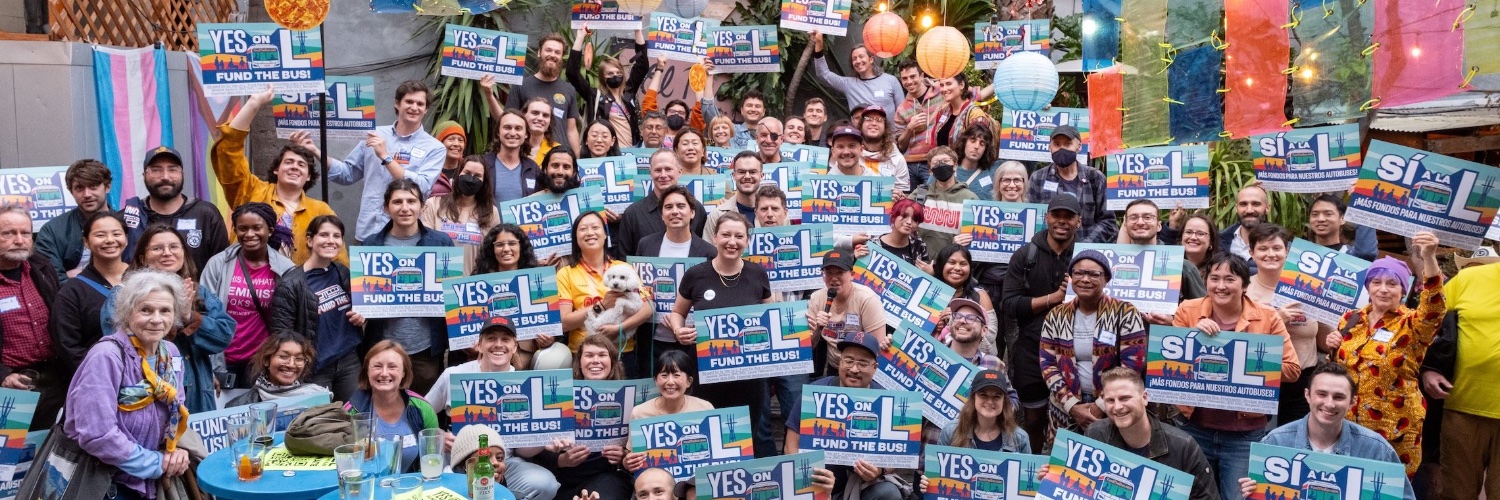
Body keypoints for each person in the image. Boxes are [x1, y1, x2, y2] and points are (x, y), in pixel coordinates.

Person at [1171, 252, 1301, 500]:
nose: (1220, 286)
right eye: (1214, 278)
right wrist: (1192, 340)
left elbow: (1292, 370)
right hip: (1193, 426)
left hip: (1244, 433)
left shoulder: (1268, 316)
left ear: (1244, 285)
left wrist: (1243, 356)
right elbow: (1172, 364)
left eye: (1229, 279)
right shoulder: (1188, 310)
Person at [63, 269, 193, 500]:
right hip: (106, 485)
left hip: (150, 481)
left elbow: (176, 408)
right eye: (145, 310)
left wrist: (173, 451)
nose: (156, 319)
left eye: (165, 311)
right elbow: (97, 434)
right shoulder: (107, 356)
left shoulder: (170, 353)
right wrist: (155, 463)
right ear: (126, 312)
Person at [1326, 232, 1444, 475]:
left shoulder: (1413, 324)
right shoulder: (1352, 319)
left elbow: (1434, 305)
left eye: (1392, 284)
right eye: (1376, 282)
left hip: (1396, 431)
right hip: (1348, 426)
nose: (1383, 289)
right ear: (1368, 286)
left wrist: (1429, 257)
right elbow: (1339, 369)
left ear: (1403, 289)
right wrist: (1332, 345)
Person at [666, 213, 775, 457]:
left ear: (747, 241)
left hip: (750, 376)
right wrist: (678, 330)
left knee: (747, 437)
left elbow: (772, 318)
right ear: (715, 237)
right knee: (708, 436)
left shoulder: (758, 274)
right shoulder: (696, 274)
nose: (732, 241)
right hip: (707, 373)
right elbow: (677, 313)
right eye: (726, 235)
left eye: (739, 236)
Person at [425, 317, 561, 500]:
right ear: (479, 345)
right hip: (458, 462)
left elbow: (522, 450)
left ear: (514, 347)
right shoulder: (453, 375)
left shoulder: (524, 384)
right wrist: (439, 435)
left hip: (504, 464)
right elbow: (420, 413)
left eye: (505, 339)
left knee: (546, 484)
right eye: (491, 338)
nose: (498, 345)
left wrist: (544, 440)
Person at [1236, 363, 1417, 500]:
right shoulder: (1275, 443)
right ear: (1307, 395)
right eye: (1321, 394)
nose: (1329, 404)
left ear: (1353, 402)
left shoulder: (1377, 450)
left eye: (1338, 397)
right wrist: (1251, 492)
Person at [112, 224, 233, 414]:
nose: (167, 253)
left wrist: (188, 316)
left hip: (199, 397)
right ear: (143, 258)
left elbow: (224, 335)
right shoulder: (124, 294)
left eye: (174, 247)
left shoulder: (198, 292)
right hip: (148, 395)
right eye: (157, 248)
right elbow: (119, 343)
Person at [308, 81, 444, 242]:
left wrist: (386, 158)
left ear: (426, 109)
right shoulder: (375, 134)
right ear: (397, 103)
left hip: (407, 236)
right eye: (409, 101)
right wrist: (315, 151)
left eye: (420, 104)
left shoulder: (435, 148)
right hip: (368, 231)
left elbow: (421, 186)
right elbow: (346, 174)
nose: (414, 107)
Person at [1039, 249, 1147, 451]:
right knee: (1062, 468)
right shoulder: (1056, 315)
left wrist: (1101, 405)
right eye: (1078, 273)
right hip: (1064, 409)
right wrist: (1072, 406)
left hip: (1114, 408)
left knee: (1108, 466)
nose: (1085, 279)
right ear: (1071, 278)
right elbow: (1047, 364)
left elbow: (1133, 365)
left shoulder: (1125, 313)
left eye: (1094, 274)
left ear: (1106, 279)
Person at [216, 86, 338, 265]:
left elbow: (337, 259)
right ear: (276, 170)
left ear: (309, 177)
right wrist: (254, 103)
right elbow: (228, 152)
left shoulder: (321, 210)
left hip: (298, 290)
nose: (295, 167)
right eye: (288, 162)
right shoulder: (251, 192)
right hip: (249, 283)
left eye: (301, 165)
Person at [784, 331, 910, 500]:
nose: (854, 369)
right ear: (839, 362)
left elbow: (896, 456)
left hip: (861, 486)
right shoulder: (814, 394)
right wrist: (806, 478)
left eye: (863, 363)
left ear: (875, 368)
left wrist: (880, 470)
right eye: (849, 361)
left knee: (889, 493)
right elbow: (790, 446)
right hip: (816, 485)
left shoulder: (887, 399)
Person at [1001, 193, 1082, 453]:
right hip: (1031, 347)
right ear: (1046, 217)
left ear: (1078, 221)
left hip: (1076, 349)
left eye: (1068, 216)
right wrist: (1054, 298)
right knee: (1033, 418)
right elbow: (1009, 304)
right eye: (1056, 215)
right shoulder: (1026, 255)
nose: (1061, 221)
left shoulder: (1087, 257)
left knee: (1074, 417)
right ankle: (1033, 468)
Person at [361, 179, 455, 394]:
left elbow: (451, 295)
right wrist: (360, 312)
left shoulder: (441, 243)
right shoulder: (370, 245)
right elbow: (363, 293)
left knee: (425, 410)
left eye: (411, 201)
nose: (405, 208)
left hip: (426, 348)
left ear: (422, 206)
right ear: (387, 207)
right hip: (382, 346)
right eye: (397, 202)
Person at [200, 202, 296, 388]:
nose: (249, 234)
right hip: (223, 358)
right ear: (235, 230)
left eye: (257, 228)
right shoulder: (218, 264)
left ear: (270, 229)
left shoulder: (285, 269)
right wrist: (208, 367)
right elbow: (203, 312)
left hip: (262, 360)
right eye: (243, 229)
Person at [1087, 367, 1219, 500]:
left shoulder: (1183, 447)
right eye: (1110, 400)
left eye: (1124, 398)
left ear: (1144, 398)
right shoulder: (1095, 434)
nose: (1117, 407)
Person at [1244, 224, 1331, 424]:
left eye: (1276, 248)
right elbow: (1239, 342)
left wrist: (1336, 339)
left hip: (1304, 383)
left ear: (1287, 252)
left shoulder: (1309, 288)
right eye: (1263, 249)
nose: (1270, 254)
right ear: (1252, 253)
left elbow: (1324, 340)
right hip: (1258, 378)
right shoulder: (1244, 290)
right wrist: (1276, 321)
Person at [272, 215, 365, 402]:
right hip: (315, 368)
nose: (331, 241)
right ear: (309, 240)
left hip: (349, 361)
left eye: (336, 236)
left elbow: (360, 308)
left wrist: (361, 317)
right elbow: (281, 334)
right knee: (321, 422)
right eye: (324, 235)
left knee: (356, 417)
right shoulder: (290, 284)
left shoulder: (343, 272)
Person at [1433, 242, 1500, 500]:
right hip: (1463, 407)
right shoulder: (1468, 279)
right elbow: (1423, 326)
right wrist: (1429, 369)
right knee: (1455, 493)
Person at [539, 334, 633, 499]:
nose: (595, 360)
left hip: (608, 477)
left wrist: (623, 456)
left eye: (602, 355)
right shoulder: (559, 397)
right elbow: (536, 447)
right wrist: (561, 460)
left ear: (612, 362)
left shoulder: (630, 398)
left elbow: (639, 450)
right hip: (565, 478)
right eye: (589, 355)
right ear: (579, 362)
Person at [557, 211, 653, 370]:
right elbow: (564, 323)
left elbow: (648, 307)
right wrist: (601, 305)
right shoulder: (566, 273)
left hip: (622, 351)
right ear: (575, 238)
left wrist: (619, 328)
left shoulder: (623, 269)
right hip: (583, 353)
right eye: (583, 229)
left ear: (605, 235)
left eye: (595, 227)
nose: (590, 233)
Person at [0, 206, 65, 430]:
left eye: (25, 233)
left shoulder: (42, 267)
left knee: (51, 452)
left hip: (55, 380)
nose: (19, 240)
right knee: (11, 457)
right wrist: (3, 376)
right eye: (8, 233)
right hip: (12, 386)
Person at [471, 224, 566, 370]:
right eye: (500, 244)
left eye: (512, 243)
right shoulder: (478, 281)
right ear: (492, 249)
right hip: (487, 355)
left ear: (521, 247)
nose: (506, 249)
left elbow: (553, 322)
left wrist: (550, 338)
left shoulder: (538, 279)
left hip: (528, 352)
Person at [122, 145, 231, 270]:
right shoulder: (131, 216)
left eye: (172, 169)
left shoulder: (206, 214)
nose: (165, 177)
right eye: (156, 170)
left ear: (182, 174)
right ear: (144, 175)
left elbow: (222, 266)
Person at [345, 340, 440, 474]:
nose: (384, 373)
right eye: (377, 366)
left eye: (392, 367)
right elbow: (346, 465)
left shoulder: (423, 409)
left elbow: (432, 461)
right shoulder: (351, 411)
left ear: (403, 373)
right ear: (367, 372)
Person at [51, 212, 130, 371]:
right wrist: (102, 374)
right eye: (100, 235)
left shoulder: (144, 280)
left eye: (116, 234)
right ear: (86, 242)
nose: (109, 240)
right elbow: (68, 345)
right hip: (101, 377)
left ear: (126, 239)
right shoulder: (73, 291)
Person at [621, 351, 715, 472]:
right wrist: (627, 462)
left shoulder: (705, 408)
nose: (670, 382)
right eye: (664, 375)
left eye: (676, 375)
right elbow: (630, 454)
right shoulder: (639, 413)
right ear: (655, 380)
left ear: (689, 381)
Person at [1025, 125, 1115, 243]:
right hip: (1048, 253)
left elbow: (1108, 222)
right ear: (1050, 147)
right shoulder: (1038, 178)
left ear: (1079, 147)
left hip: (1086, 254)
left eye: (1067, 144)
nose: (1062, 149)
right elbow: (1030, 218)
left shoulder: (1096, 178)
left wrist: (1084, 246)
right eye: (1057, 144)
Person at [807, 248, 887, 375]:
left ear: (852, 275)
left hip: (862, 368)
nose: (834, 278)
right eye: (828, 273)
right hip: (835, 366)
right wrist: (817, 328)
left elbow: (878, 347)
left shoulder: (867, 299)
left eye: (839, 272)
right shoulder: (817, 298)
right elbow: (808, 346)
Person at [617, 150, 708, 257]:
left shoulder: (696, 208)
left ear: (680, 171)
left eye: (668, 169)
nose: (663, 175)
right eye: (658, 170)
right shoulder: (633, 213)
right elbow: (624, 259)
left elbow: (704, 248)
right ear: (650, 172)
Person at [568, 28, 648, 148]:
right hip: (606, 154)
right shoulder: (595, 96)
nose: (615, 76)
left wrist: (637, 30)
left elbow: (642, 65)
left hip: (631, 153)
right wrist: (580, 37)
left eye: (618, 72)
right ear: (602, 77)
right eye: (610, 73)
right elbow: (572, 73)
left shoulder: (628, 92)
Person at [501, 33, 581, 152]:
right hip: (528, 154)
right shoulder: (521, 85)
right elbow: (506, 120)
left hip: (559, 157)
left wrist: (577, 159)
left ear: (561, 57)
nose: (552, 55)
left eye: (557, 52)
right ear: (539, 53)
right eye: (548, 50)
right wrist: (489, 94)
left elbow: (571, 130)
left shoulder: (569, 89)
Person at [421, 154, 499, 275]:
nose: (471, 179)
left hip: (472, 283)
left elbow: (492, 254)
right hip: (438, 281)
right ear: (458, 174)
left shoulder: (491, 212)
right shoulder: (434, 204)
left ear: (484, 182)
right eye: (467, 173)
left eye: (478, 176)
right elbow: (426, 245)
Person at [36, 158, 112, 281]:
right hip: (72, 297)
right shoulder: (52, 231)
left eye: (93, 186)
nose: (87, 194)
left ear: (107, 187)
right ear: (71, 191)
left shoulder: (126, 224)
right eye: (79, 188)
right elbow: (51, 279)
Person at [1118, 199, 1206, 305]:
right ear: (1125, 226)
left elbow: (1202, 311)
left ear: (1159, 226)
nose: (1140, 222)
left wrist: (1173, 321)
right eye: (1133, 217)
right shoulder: (1110, 264)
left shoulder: (1183, 267)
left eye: (1147, 217)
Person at [809, 32, 904, 123]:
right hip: (860, 138)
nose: (858, 61)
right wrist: (819, 44)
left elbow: (903, 110)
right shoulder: (849, 84)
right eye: (854, 59)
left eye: (861, 56)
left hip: (889, 137)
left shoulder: (890, 80)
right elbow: (823, 73)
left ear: (871, 59)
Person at [226, 331, 327, 406]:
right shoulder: (238, 407)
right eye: (283, 356)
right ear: (267, 360)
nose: (291, 364)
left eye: (299, 358)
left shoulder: (316, 400)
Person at [938, 369, 1029, 451]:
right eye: (983, 395)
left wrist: (1039, 470)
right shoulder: (950, 432)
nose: (990, 401)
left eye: (996, 396)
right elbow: (936, 468)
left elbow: (1026, 468)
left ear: (1004, 401)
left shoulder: (1020, 438)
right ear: (973, 398)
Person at [932, 246, 997, 354]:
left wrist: (956, 321)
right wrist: (933, 325)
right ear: (941, 265)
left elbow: (990, 336)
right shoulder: (928, 293)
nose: (957, 268)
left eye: (963, 264)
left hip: (972, 363)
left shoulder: (979, 295)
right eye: (952, 262)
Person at [911, 146, 976, 253]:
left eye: (945, 161)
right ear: (930, 171)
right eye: (936, 163)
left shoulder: (970, 198)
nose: (941, 165)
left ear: (955, 166)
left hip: (952, 264)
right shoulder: (919, 194)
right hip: (919, 263)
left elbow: (977, 236)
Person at [638, 186, 715, 259]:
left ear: (692, 213)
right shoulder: (645, 245)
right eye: (669, 207)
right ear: (662, 215)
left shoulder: (709, 252)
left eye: (680, 206)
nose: (674, 212)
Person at [487, 109, 544, 204]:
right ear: (498, 132)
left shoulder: (533, 169)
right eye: (507, 127)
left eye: (518, 128)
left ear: (526, 134)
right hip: (488, 219)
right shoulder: (483, 164)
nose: (513, 133)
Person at [895, 59, 944, 167]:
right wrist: (909, 128)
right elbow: (901, 146)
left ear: (922, 76)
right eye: (904, 78)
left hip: (937, 160)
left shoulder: (941, 94)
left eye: (913, 76)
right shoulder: (902, 108)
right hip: (910, 162)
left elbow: (972, 95)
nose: (909, 81)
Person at [703, 152, 762, 239]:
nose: (747, 176)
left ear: (761, 175)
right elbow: (709, 252)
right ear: (734, 176)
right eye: (741, 172)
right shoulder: (717, 215)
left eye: (753, 172)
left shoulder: (775, 213)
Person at [857, 106, 912, 195]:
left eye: (879, 120)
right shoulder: (852, 154)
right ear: (861, 125)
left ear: (885, 127)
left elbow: (905, 195)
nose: (874, 123)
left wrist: (897, 197)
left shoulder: (897, 159)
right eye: (869, 119)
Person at [1307, 194, 1378, 261]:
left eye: (1328, 214)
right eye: (1315, 214)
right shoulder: (1299, 253)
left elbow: (1366, 253)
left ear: (1342, 219)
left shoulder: (1348, 254)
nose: (1320, 219)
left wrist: (1363, 200)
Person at [1218, 184, 1269, 271]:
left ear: (1267, 208)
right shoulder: (1217, 242)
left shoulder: (1283, 248)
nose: (1249, 210)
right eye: (1243, 204)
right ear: (1236, 208)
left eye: (1256, 204)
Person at [876, 199, 933, 273]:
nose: (909, 222)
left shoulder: (919, 245)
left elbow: (925, 276)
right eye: (904, 216)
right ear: (893, 216)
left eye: (915, 219)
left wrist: (930, 273)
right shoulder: (873, 244)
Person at [956, 124, 1001, 201]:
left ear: (985, 149)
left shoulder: (994, 169)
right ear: (964, 142)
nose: (976, 146)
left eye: (982, 144)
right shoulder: (948, 169)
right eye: (973, 141)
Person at [429, 120, 467, 197]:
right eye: (451, 139)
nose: (456, 144)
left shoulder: (468, 170)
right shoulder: (429, 170)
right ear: (439, 143)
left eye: (460, 140)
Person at [520, 97, 561, 166]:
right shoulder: (511, 146)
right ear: (523, 115)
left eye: (545, 115)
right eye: (535, 113)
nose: (540, 118)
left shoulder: (558, 151)